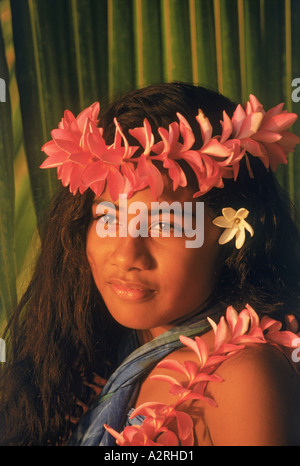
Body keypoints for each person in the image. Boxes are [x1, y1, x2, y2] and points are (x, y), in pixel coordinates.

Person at [1, 82, 300, 446]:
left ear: (233, 237)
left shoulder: (244, 376)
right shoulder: (83, 363)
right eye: (108, 218)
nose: (127, 256)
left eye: (165, 225)